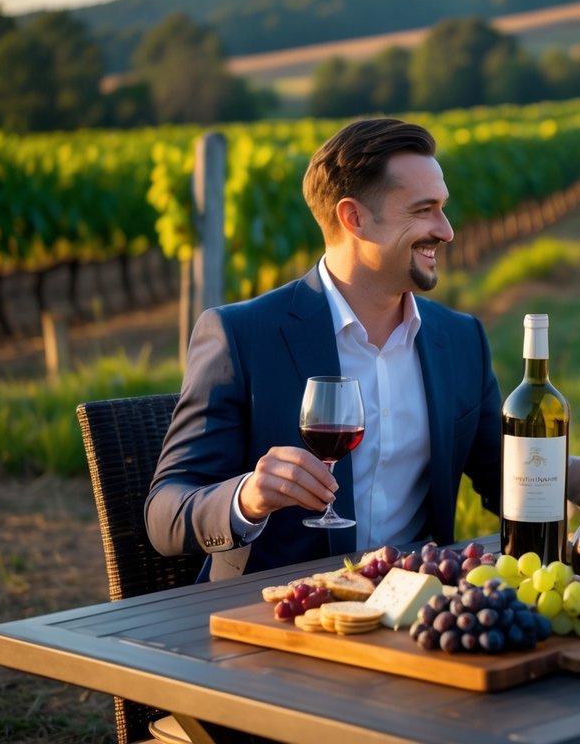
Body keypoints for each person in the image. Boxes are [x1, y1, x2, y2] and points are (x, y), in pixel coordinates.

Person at [145, 118, 502, 581]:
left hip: (415, 615)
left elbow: (511, 477)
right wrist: (247, 496)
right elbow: (165, 514)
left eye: (443, 208)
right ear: (353, 217)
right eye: (424, 210)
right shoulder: (242, 335)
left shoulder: (460, 339)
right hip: (280, 615)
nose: (447, 230)